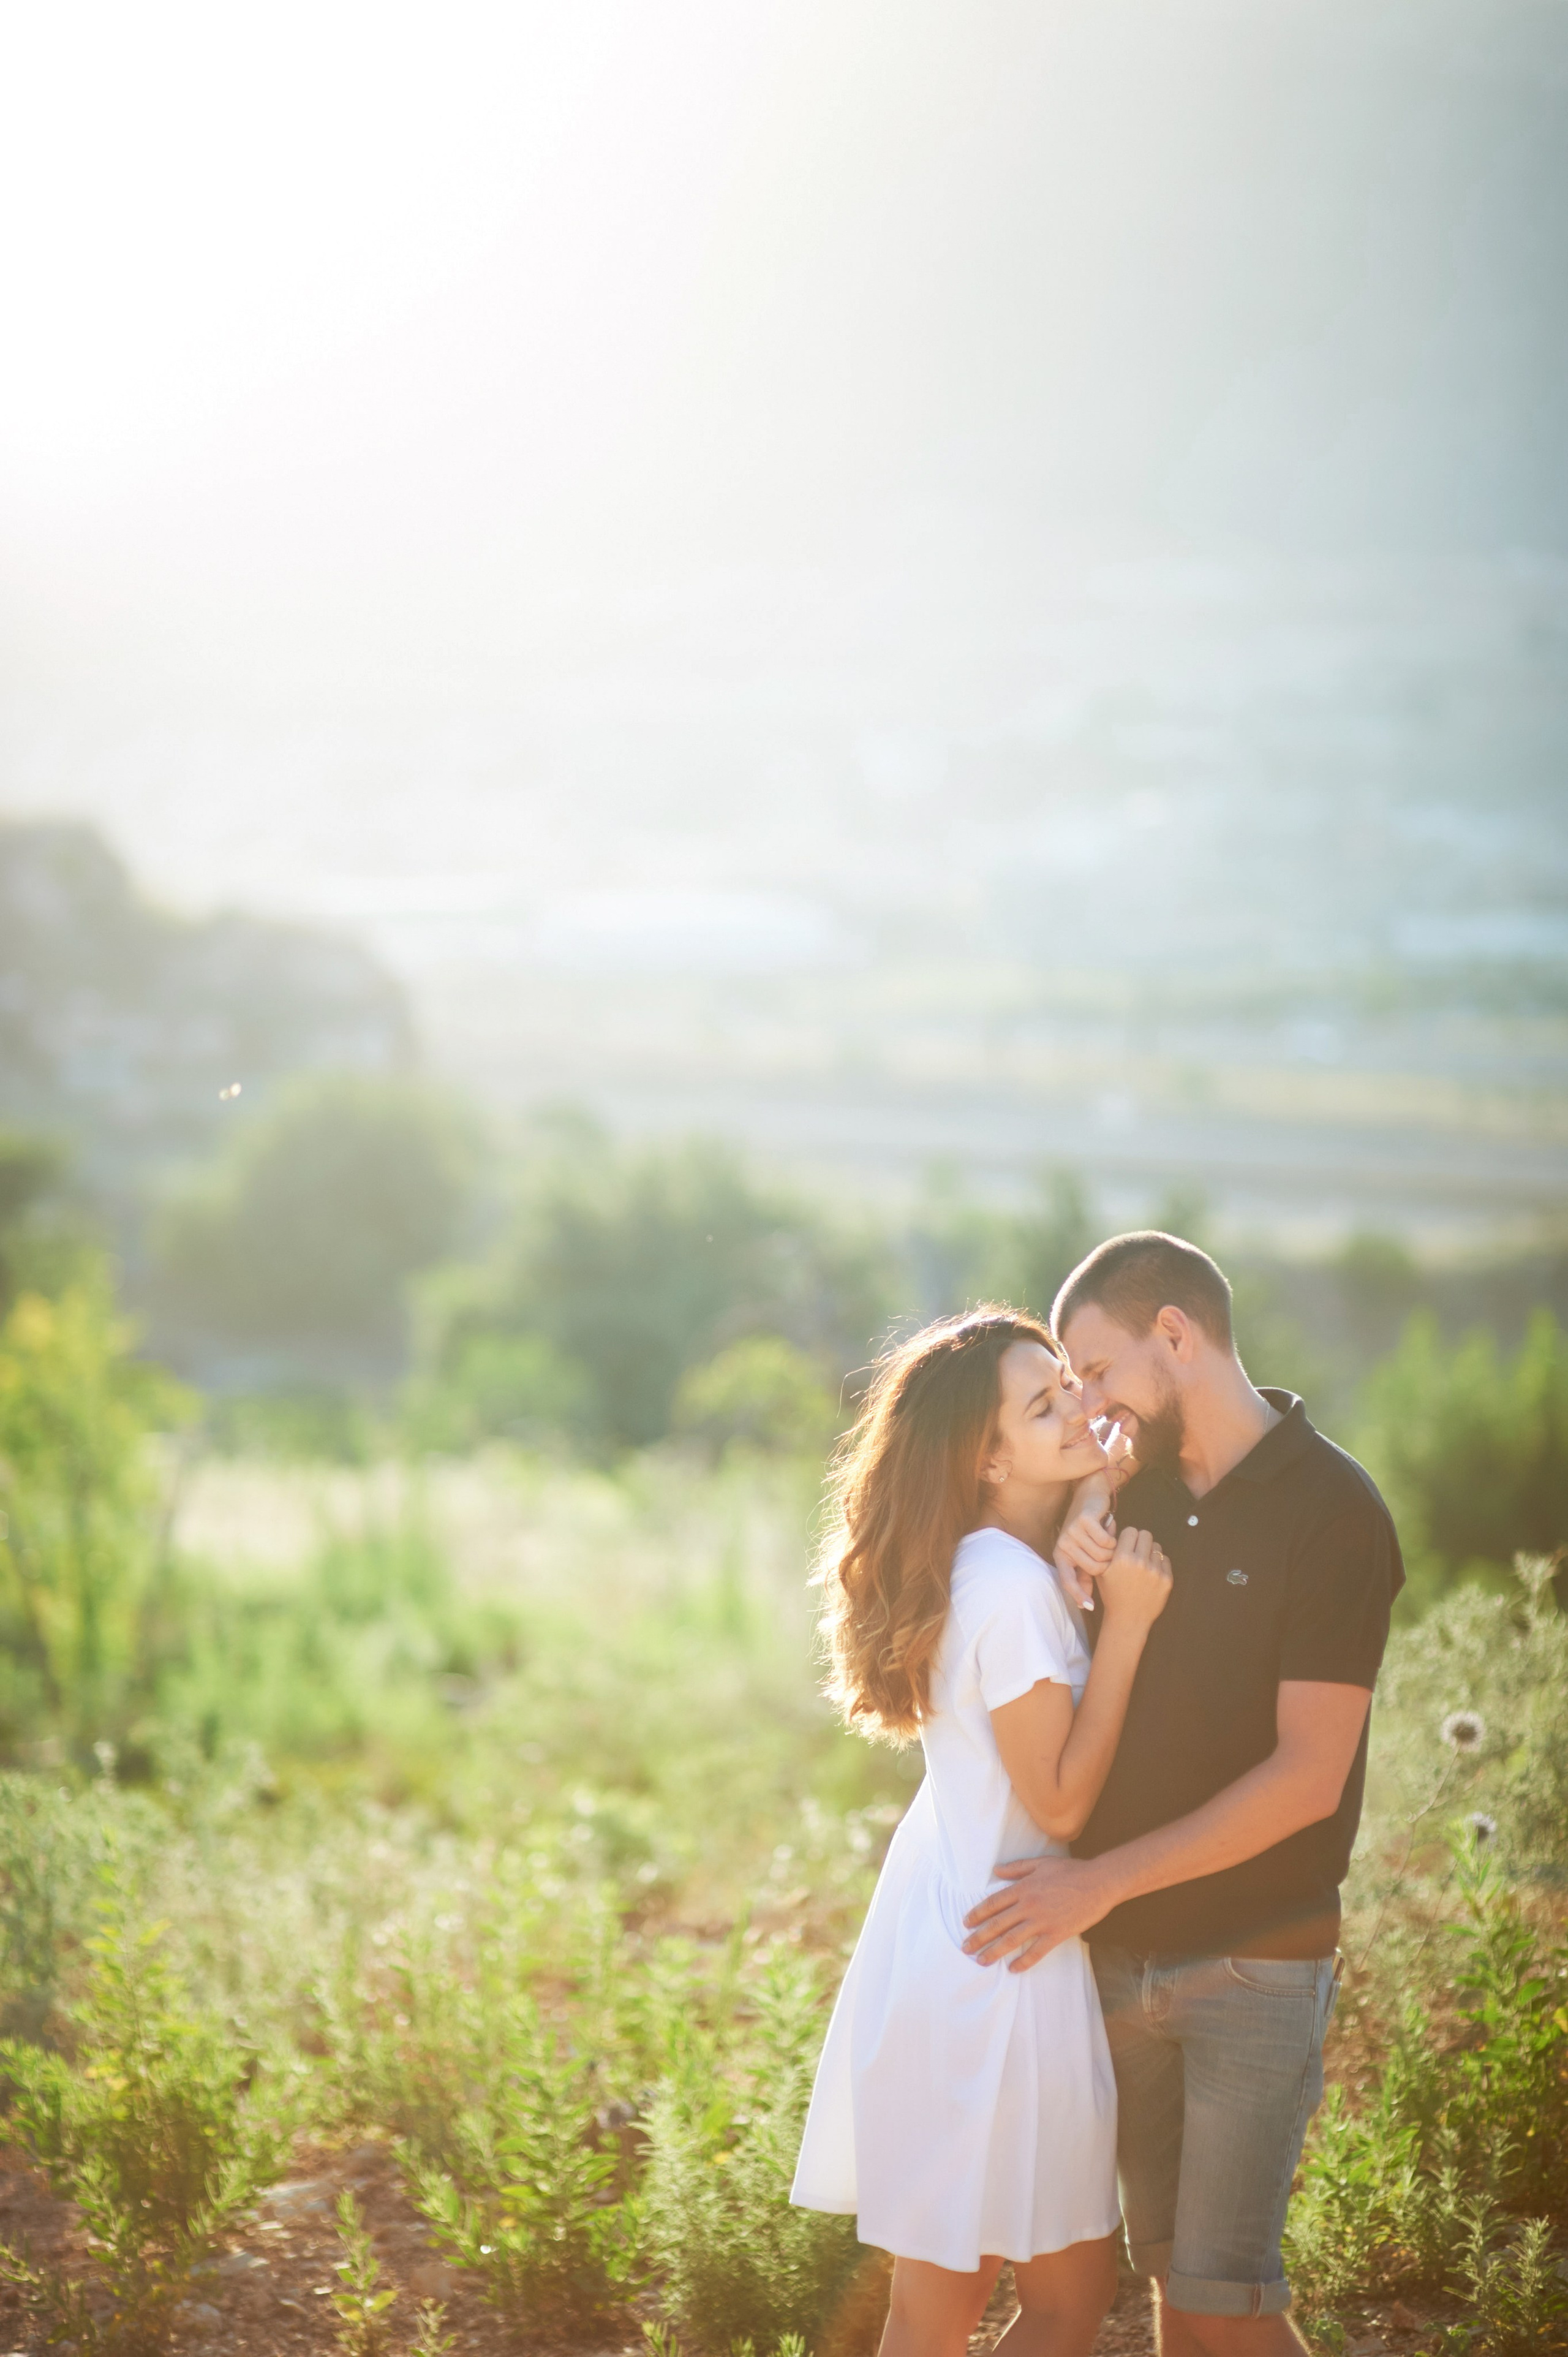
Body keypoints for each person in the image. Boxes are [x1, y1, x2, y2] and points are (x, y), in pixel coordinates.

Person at [963, 1233, 1404, 2355]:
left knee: (1225, 2300)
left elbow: (1309, 1779)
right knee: (1174, 2290)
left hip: (1255, 1962)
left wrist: (1095, 1882)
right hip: (1111, 1964)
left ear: (1176, 1335)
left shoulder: (1335, 1512)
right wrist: (1073, 1526)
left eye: (1099, 1371)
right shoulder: (1122, 1489)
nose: (1089, 1402)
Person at [791, 1308, 1174, 2357]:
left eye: (1069, 1384)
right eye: (1045, 1404)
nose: (1080, 1407)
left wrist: (1092, 1488)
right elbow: (1056, 1805)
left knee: (948, 2300)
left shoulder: (988, 1564)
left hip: (958, 1933)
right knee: (1052, 2298)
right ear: (988, 1457)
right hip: (1002, 1958)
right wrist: (1130, 1630)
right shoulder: (1008, 1590)